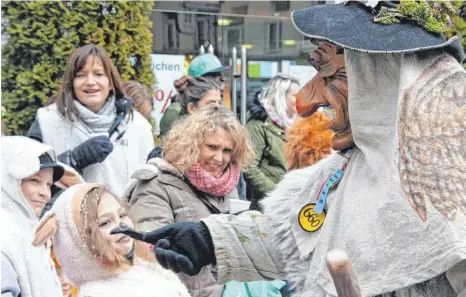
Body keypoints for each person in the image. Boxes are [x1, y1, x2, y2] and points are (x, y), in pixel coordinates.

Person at [113, 1, 466, 297]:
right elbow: (295, 238)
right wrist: (208, 239)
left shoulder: (456, 194)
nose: (304, 103)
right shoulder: (347, 172)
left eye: (330, 73)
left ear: (387, 83)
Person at [124, 104, 254, 297]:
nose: (219, 158)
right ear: (191, 144)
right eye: (212, 147)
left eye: (227, 150)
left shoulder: (228, 185)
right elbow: (150, 253)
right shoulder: (155, 184)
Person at [27, 44, 154, 197]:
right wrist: (72, 160)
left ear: (110, 82)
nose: (90, 82)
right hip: (63, 218)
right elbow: (29, 177)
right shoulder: (47, 121)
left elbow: (149, 188)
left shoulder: (137, 126)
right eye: (81, 75)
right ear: (71, 82)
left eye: (99, 74)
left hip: (120, 218)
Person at [32, 183, 191, 297]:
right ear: (79, 240)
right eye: (105, 222)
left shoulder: (147, 268)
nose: (122, 225)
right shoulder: (98, 293)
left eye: (122, 215)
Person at [1, 136, 73, 297]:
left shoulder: (27, 230)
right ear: (8, 180)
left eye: (48, 184)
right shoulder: (5, 236)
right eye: (34, 180)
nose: (45, 193)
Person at [244, 73, 300, 210]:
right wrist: (276, 192)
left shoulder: (297, 124)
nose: (299, 100)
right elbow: (249, 167)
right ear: (280, 96)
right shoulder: (258, 124)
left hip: (292, 201)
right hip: (267, 204)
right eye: (294, 95)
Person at [159, 53, 229, 137]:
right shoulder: (174, 112)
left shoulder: (220, 106)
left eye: (220, 75)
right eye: (214, 76)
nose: (220, 80)